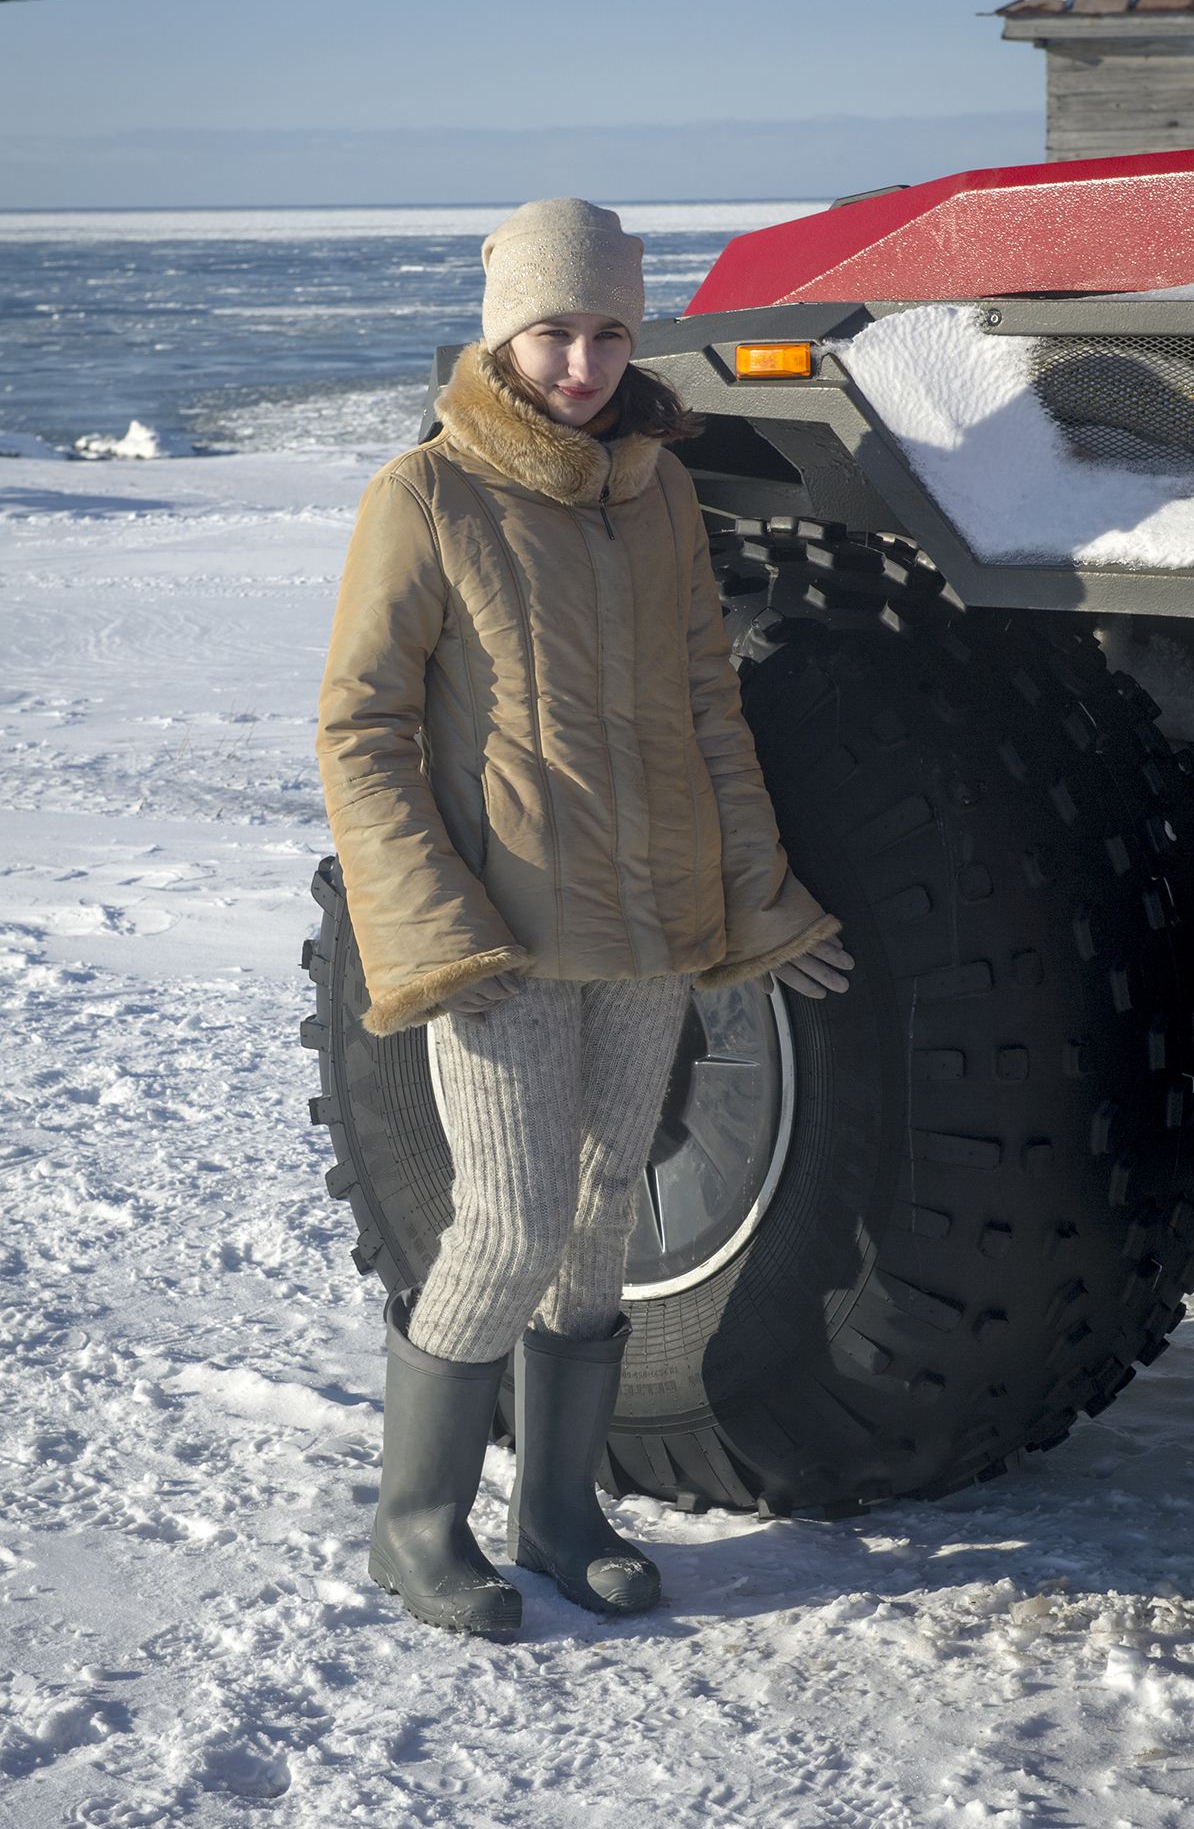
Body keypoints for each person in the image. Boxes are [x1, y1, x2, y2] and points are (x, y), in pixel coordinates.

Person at [316, 198, 852, 1638]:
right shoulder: (427, 495)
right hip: (499, 932)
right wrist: (435, 932)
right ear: (505, 334)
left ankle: (558, 1513)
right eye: (554, 331)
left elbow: (707, 706)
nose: (583, 364)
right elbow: (361, 732)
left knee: (603, 1211)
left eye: (611, 333)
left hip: (652, 922)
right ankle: (415, 1525)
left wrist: (757, 897)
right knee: (508, 1223)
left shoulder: (656, 492)